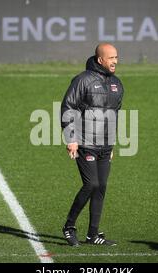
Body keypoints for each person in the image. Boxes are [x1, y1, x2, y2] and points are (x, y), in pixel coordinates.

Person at [60, 43, 124, 246]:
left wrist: (111, 145)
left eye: (116, 57)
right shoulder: (83, 80)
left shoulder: (117, 84)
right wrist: (71, 139)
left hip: (105, 145)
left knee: (101, 187)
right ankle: (69, 227)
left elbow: (115, 113)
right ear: (100, 60)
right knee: (91, 184)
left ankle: (92, 235)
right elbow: (68, 106)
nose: (115, 61)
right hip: (85, 142)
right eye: (111, 57)